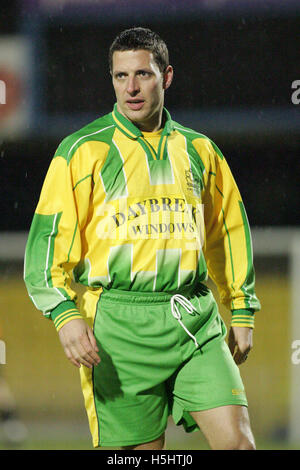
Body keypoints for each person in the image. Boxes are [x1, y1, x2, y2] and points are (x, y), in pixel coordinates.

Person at [24, 27, 261, 450]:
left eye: (143, 75)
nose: (131, 88)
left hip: (194, 320)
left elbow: (227, 232)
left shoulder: (200, 149)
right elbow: (45, 251)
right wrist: (65, 313)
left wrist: (240, 308)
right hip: (119, 329)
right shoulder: (82, 151)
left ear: (166, 77)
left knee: (240, 444)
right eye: (120, 77)